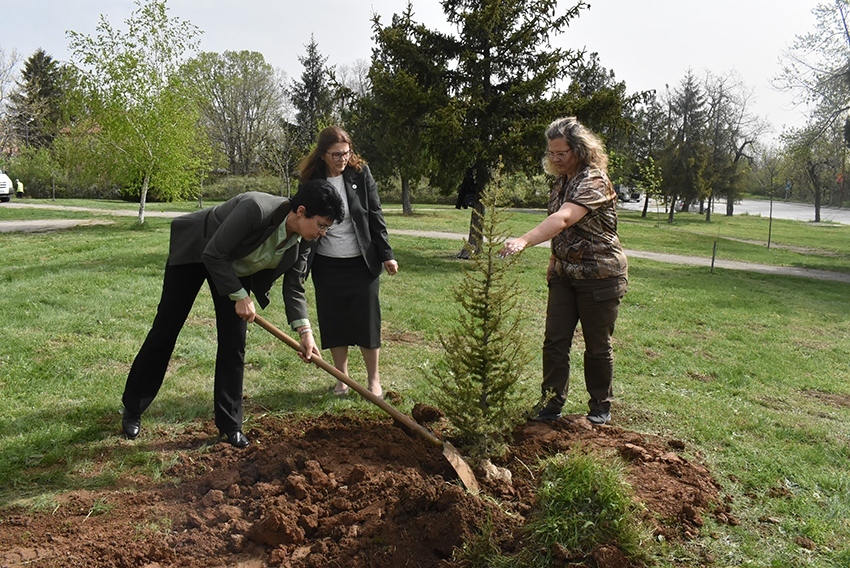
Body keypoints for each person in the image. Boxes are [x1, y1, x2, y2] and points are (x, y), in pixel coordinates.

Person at [121, 181, 345, 447]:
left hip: (235, 268)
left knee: (234, 343)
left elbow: (295, 286)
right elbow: (214, 253)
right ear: (300, 211)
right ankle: (133, 408)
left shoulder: (305, 239)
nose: (322, 232)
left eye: (327, 228)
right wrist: (239, 296)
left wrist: (305, 332)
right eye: (320, 224)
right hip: (197, 250)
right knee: (166, 329)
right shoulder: (256, 208)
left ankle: (230, 425)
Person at [500, 116, 628, 425]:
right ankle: (550, 404)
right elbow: (560, 231)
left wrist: (523, 240)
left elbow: (564, 219)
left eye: (562, 153)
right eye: (551, 154)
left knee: (597, 346)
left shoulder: (593, 179)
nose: (556, 159)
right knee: (555, 341)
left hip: (600, 276)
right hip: (564, 276)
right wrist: (553, 262)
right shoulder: (561, 182)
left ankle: (600, 407)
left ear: (580, 150)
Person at [298, 126, 398, 398]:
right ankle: (341, 378)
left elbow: (375, 214)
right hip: (327, 263)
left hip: (361, 262)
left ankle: (373, 380)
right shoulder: (311, 179)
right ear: (322, 155)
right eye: (336, 154)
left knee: (367, 322)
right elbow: (302, 217)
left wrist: (386, 254)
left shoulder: (360, 174)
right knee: (334, 321)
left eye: (346, 153)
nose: (343, 159)